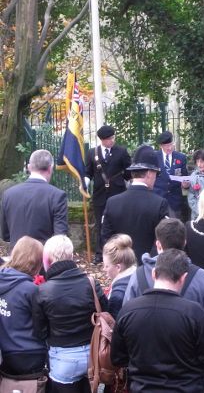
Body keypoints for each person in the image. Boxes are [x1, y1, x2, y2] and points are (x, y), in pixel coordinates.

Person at [112, 249, 204, 393]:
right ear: (183, 278)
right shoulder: (194, 313)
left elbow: (117, 358)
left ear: (154, 274)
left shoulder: (128, 311)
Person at [32, 235, 107, 393]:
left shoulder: (42, 291)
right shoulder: (91, 283)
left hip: (63, 358)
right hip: (93, 355)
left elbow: (40, 332)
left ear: (49, 259)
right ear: (72, 256)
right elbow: (106, 312)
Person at [123, 218, 204, 314]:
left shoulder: (138, 276)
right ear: (184, 242)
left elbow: (126, 312)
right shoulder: (202, 277)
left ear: (158, 245)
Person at [101, 145, 170, 263]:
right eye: (156, 174)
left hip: (121, 267)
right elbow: (163, 240)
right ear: (149, 173)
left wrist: (119, 262)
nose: (155, 178)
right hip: (147, 270)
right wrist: (149, 263)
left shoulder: (112, 202)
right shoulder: (159, 203)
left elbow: (107, 239)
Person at [1, 149, 68, 248]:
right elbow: (60, 237)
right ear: (50, 168)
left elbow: (5, 235)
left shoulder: (8, 194)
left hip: (16, 258)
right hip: (42, 259)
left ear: (29, 167)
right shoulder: (57, 196)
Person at [0, 237, 47, 377]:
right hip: (30, 354)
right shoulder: (30, 290)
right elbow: (42, 327)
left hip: (5, 353)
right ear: (35, 262)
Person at [85, 125, 132, 264]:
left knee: (119, 223)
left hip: (118, 193)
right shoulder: (92, 153)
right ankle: (100, 253)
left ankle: (120, 252)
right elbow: (88, 172)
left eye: (113, 137)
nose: (112, 140)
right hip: (100, 194)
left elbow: (129, 172)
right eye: (109, 139)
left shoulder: (121, 151)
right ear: (102, 140)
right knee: (100, 224)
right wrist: (85, 182)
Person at [153, 131, 190, 219]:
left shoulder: (181, 157)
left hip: (175, 201)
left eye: (171, 144)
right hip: (158, 200)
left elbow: (185, 177)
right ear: (161, 146)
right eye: (166, 146)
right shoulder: (154, 157)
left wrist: (185, 185)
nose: (169, 148)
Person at [102, 234, 137, 319]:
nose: (103, 269)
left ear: (118, 267)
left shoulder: (117, 296)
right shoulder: (138, 277)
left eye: (106, 266)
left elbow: (114, 327)